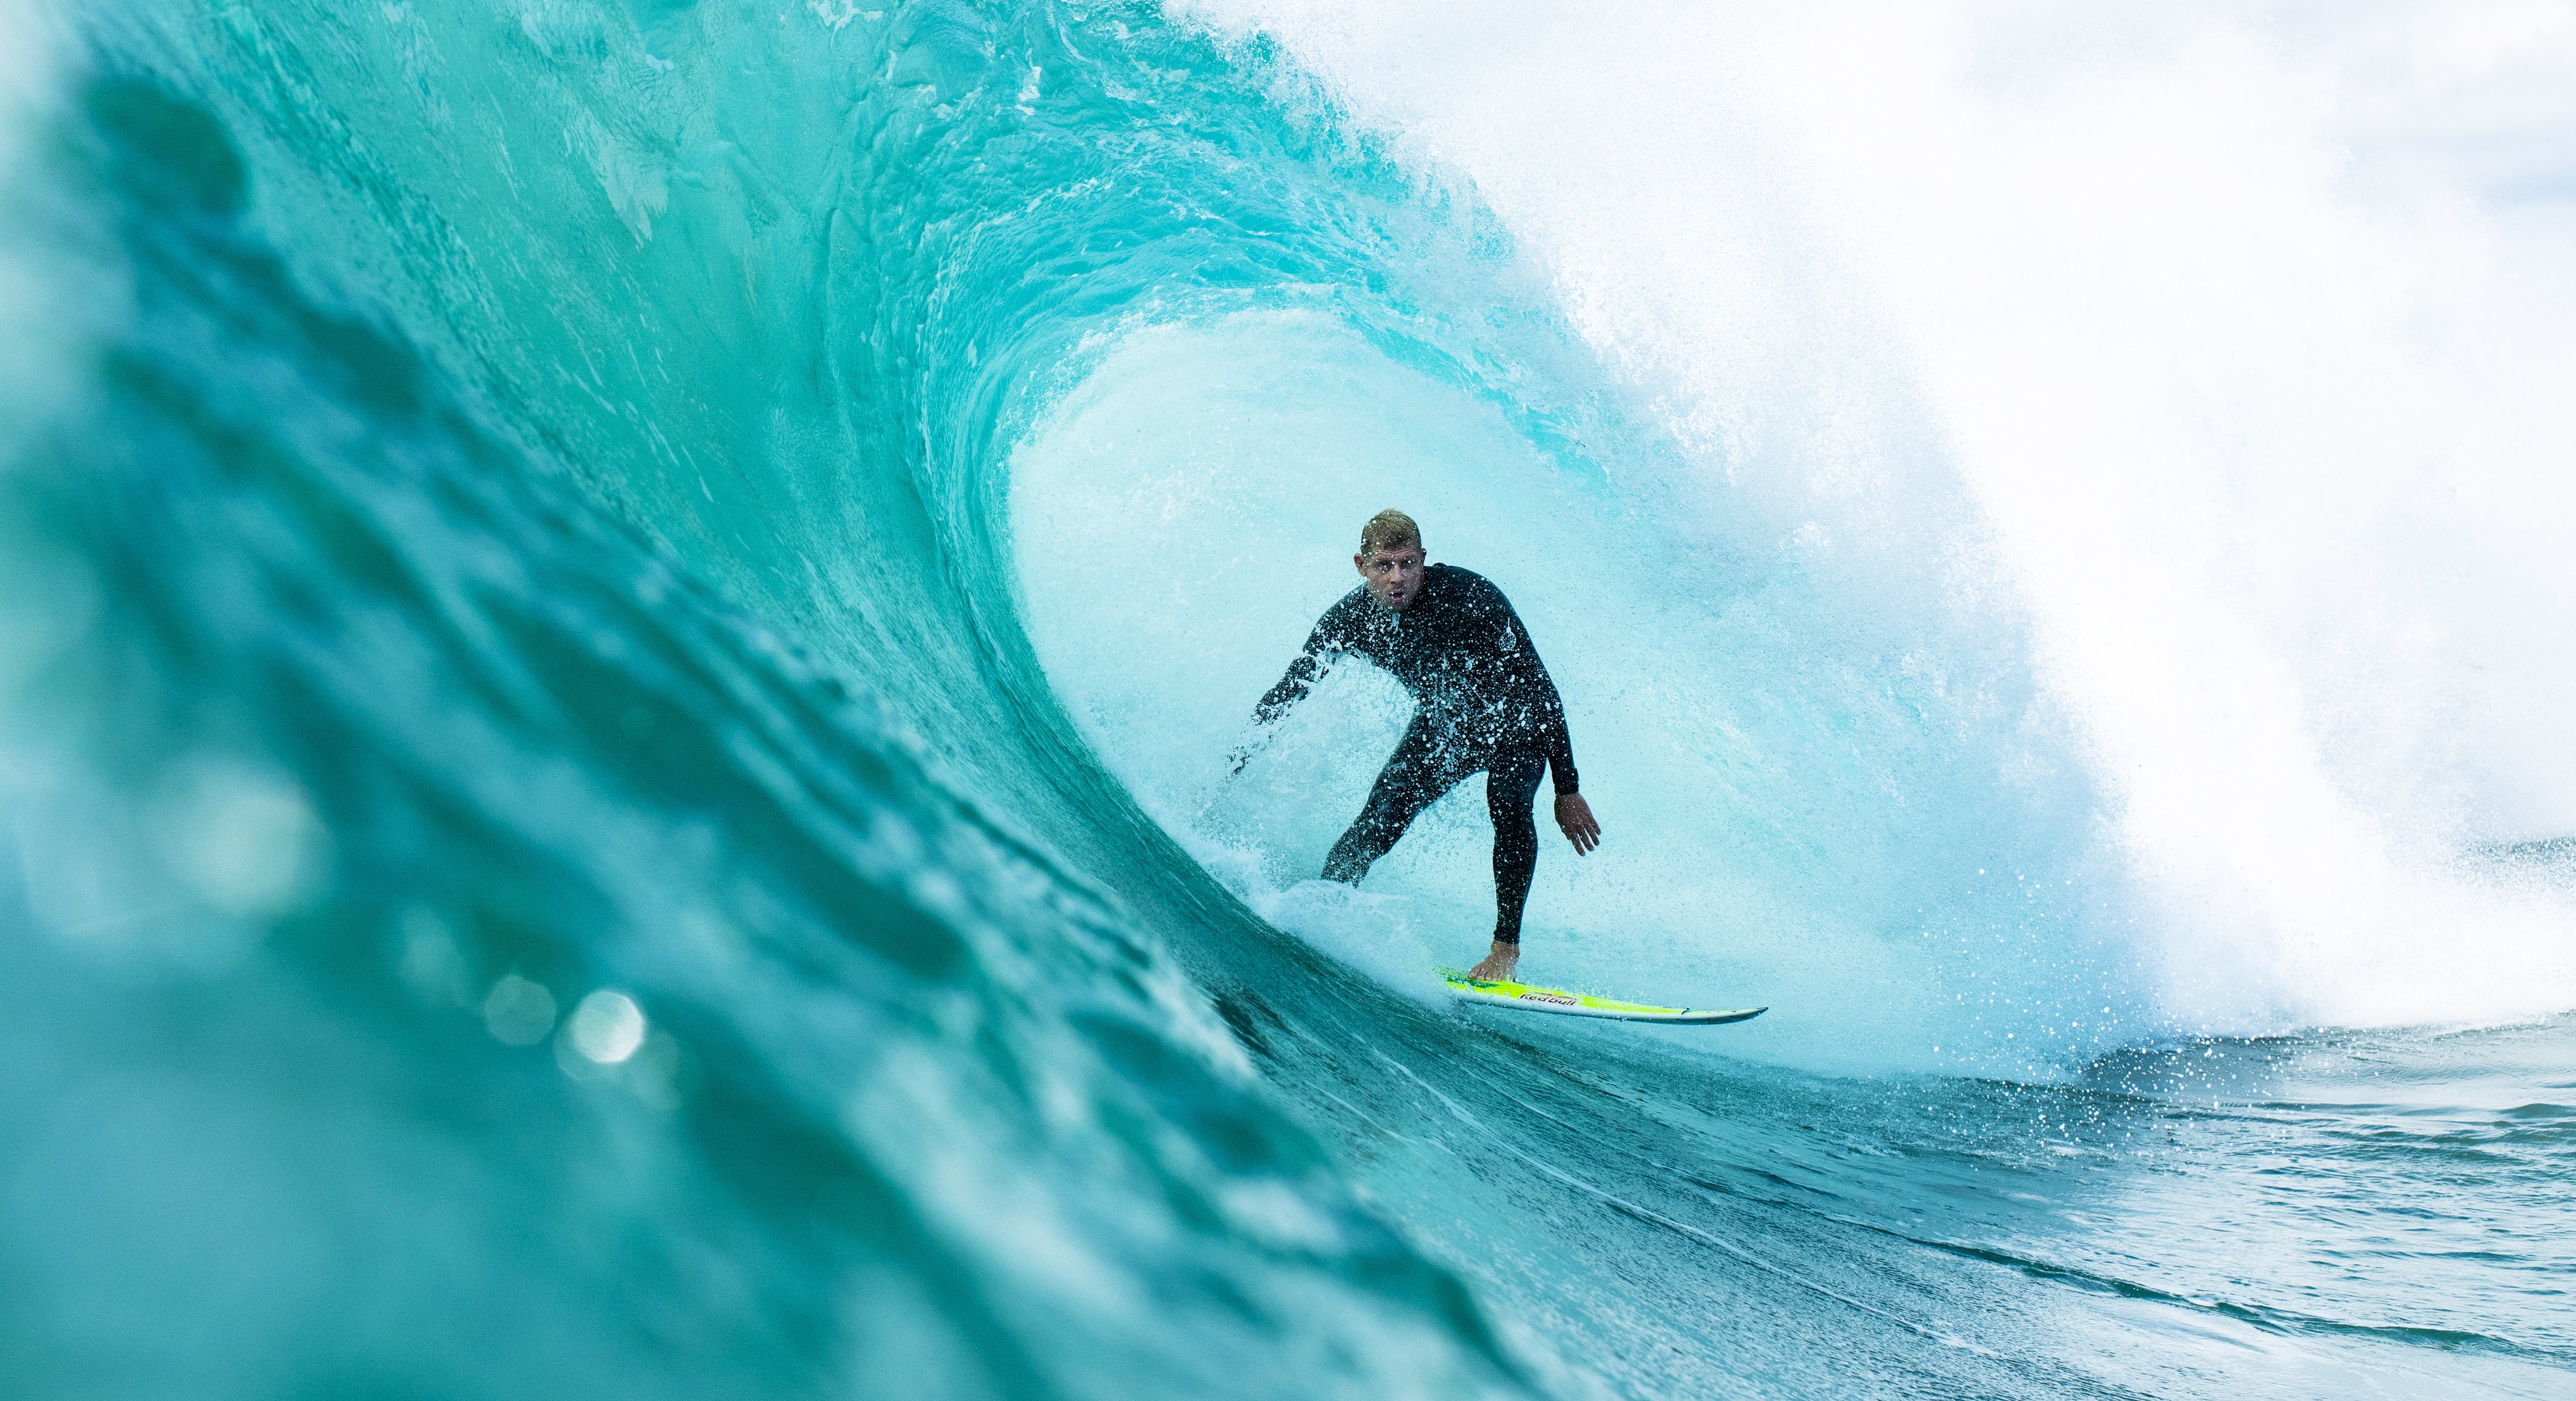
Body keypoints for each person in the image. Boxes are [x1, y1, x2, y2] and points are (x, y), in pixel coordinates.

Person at [1236, 509, 1599, 982]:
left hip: (1515, 722)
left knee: (1508, 801)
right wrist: (1234, 762)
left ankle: (1504, 952)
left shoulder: (1470, 596)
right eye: (1385, 565)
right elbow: (1289, 690)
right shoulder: (1349, 621)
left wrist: (1566, 788)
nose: (1398, 578)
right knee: (1380, 816)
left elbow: (1539, 687)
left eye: (1408, 563)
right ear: (1361, 566)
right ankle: (1323, 907)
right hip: (1446, 726)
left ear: (1424, 560)